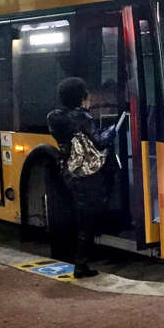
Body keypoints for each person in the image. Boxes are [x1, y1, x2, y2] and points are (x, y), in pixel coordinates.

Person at [47, 77, 116, 278]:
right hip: (86, 174)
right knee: (89, 218)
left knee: (79, 214)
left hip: (68, 171)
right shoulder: (82, 118)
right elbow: (99, 142)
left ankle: (75, 258)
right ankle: (80, 264)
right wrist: (113, 130)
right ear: (81, 97)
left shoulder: (55, 117)